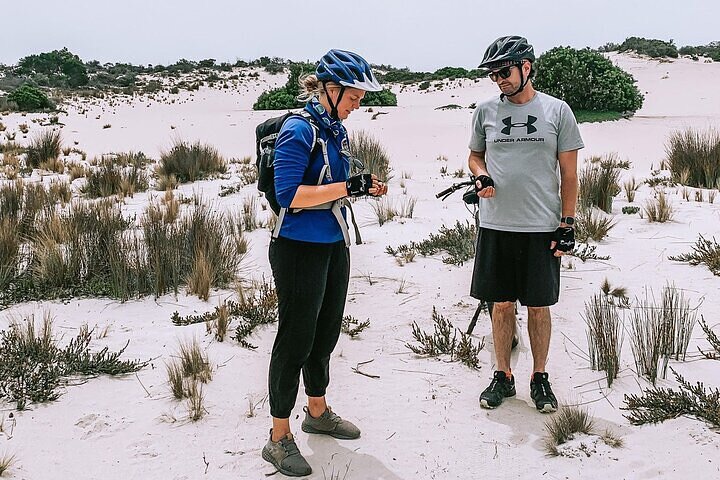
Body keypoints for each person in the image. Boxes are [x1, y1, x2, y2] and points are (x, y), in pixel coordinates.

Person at [262, 49, 388, 477]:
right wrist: (346, 187)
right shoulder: (299, 130)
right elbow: (289, 196)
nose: (359, 104)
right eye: (354, 96)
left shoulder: (335, 130)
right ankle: (279, 437)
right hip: (297, 248)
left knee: (326, 332)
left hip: (334, 244)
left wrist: (359, 185)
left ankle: (317, 411)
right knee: (295, 338)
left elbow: (334, 184)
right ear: (331, 90)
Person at [467, 36, 584, 413]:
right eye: (493, 74)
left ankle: (540, 376)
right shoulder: (485, 111)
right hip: (496, 225)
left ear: (526, 67)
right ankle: (503, 375)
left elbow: (569, 174)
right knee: (501, 305)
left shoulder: (557, 110)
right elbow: (474, 156)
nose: (498, 79)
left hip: (541, 226)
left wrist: (567, 224)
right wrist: (481, 175)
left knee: (538, 306)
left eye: (504, 71)